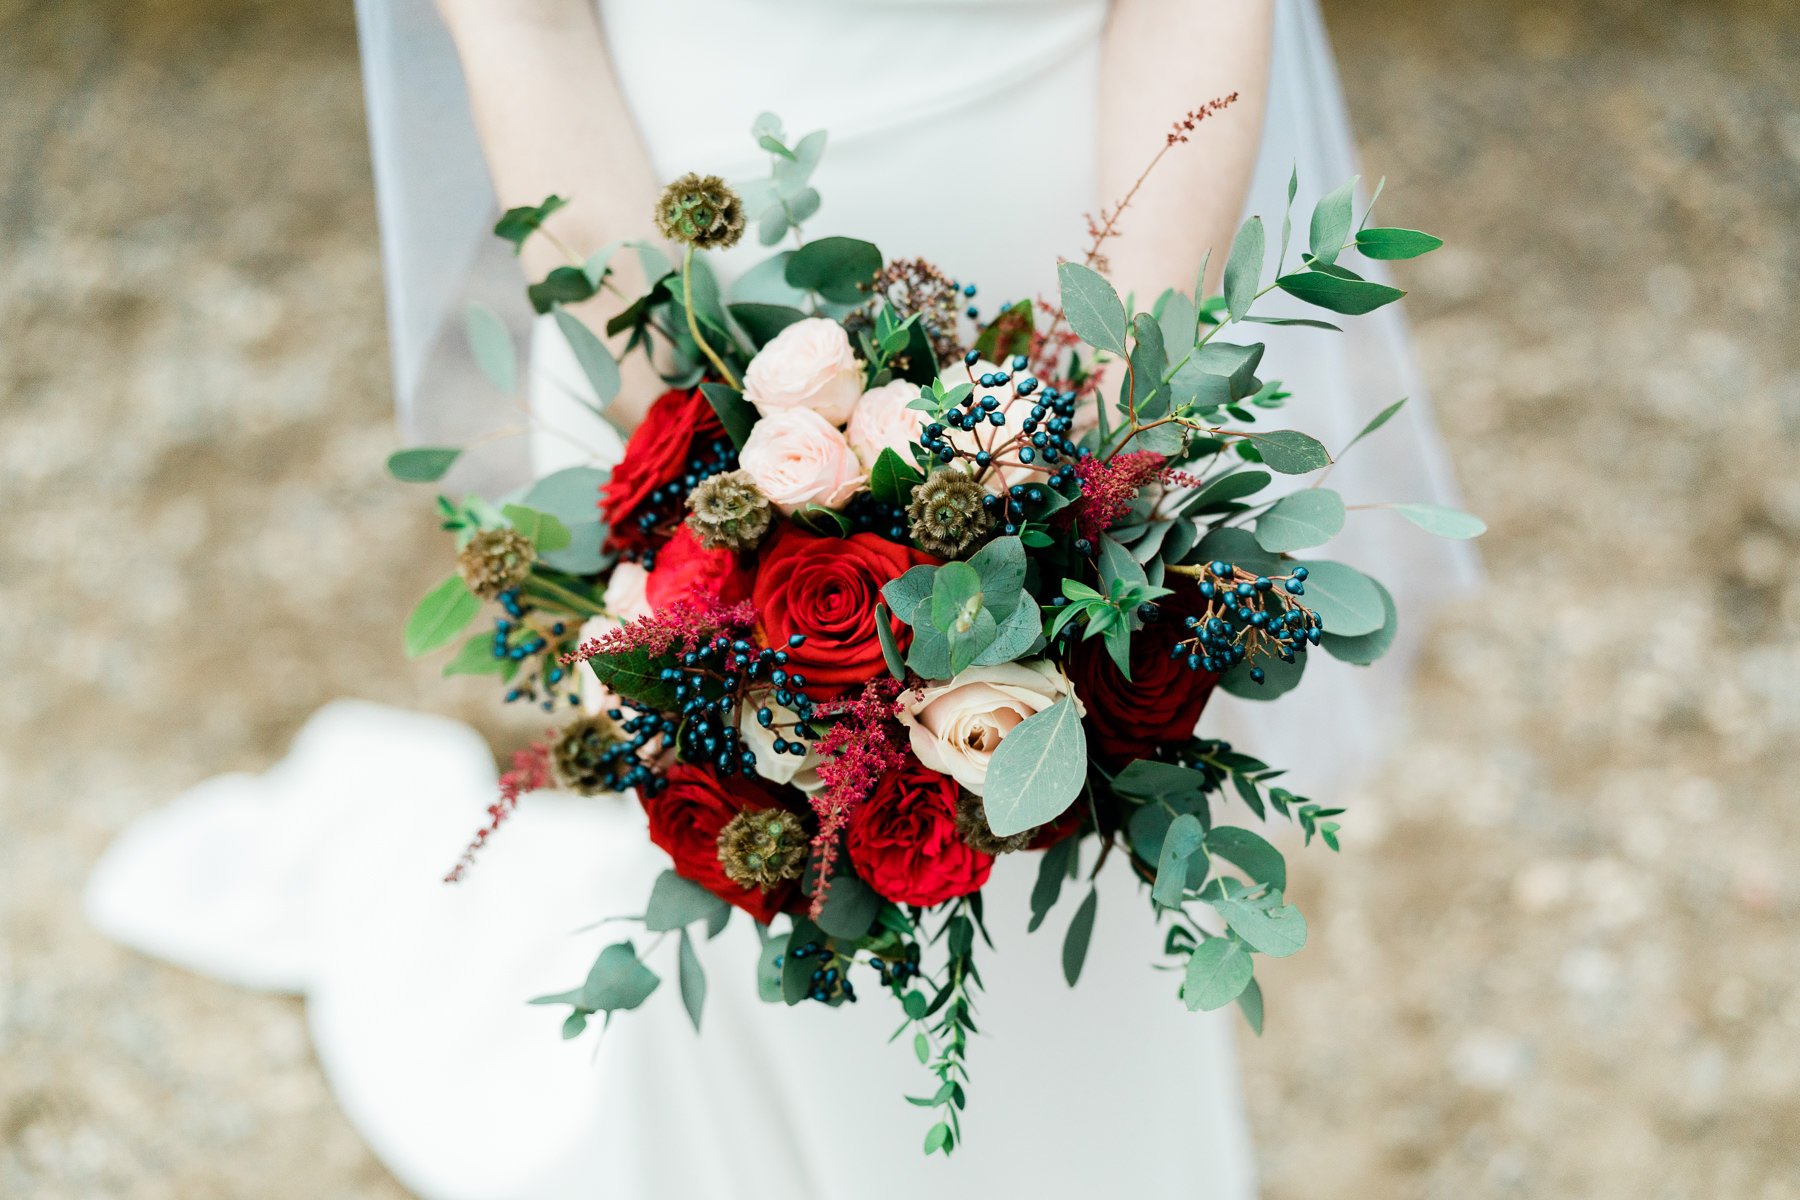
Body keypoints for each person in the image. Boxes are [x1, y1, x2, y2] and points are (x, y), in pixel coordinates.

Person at [87, 2, 1477, 1197]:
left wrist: (1104, 434)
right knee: (783, 870)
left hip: (1105, 278)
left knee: (1086, 844)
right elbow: (521, 18)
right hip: (670, 299)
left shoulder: (1114, 377)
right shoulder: (681, 391)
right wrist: (700, 462)